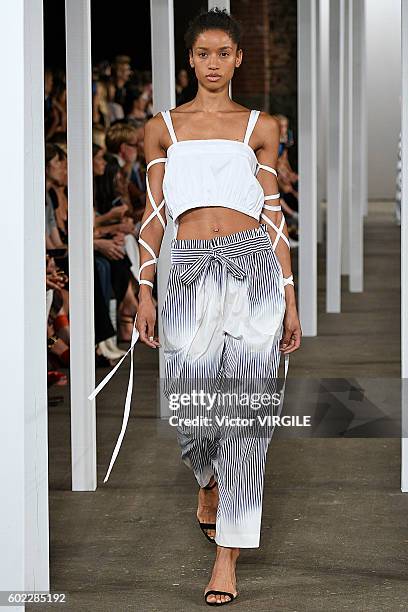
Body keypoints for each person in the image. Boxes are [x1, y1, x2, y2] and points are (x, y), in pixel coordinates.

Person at [89, 7, 302, 607]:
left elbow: (273, 212)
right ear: (191, 60)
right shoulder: (162, 128)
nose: (212, 63)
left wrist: (289, 295)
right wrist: (145, 289)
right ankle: (206, 478)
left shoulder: (261, 126)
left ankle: (227, 557)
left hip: (253, 270)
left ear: (238, 58)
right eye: (202, 53)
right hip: (185, 271)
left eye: (223, 53)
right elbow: (155, 214)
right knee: (188, 401)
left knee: (249, 413)